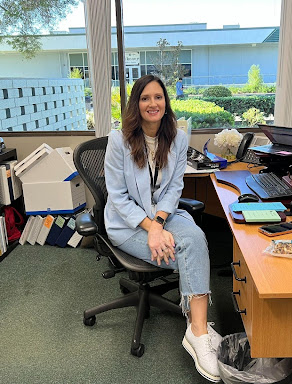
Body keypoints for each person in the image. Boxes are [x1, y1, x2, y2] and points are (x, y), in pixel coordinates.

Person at [104, 75, 221, 382]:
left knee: (196, 238)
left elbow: (174, 188)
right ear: (136, 104)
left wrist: (158, 224)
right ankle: (199, 329)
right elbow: (117, 197)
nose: (152, 103)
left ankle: (197, 330)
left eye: (158, 97)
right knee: (191, 252)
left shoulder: (178, 138)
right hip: (126, 223)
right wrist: (149, 228)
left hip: (162, 216)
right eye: (145, 98)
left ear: (166, 102)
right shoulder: (119, 140)